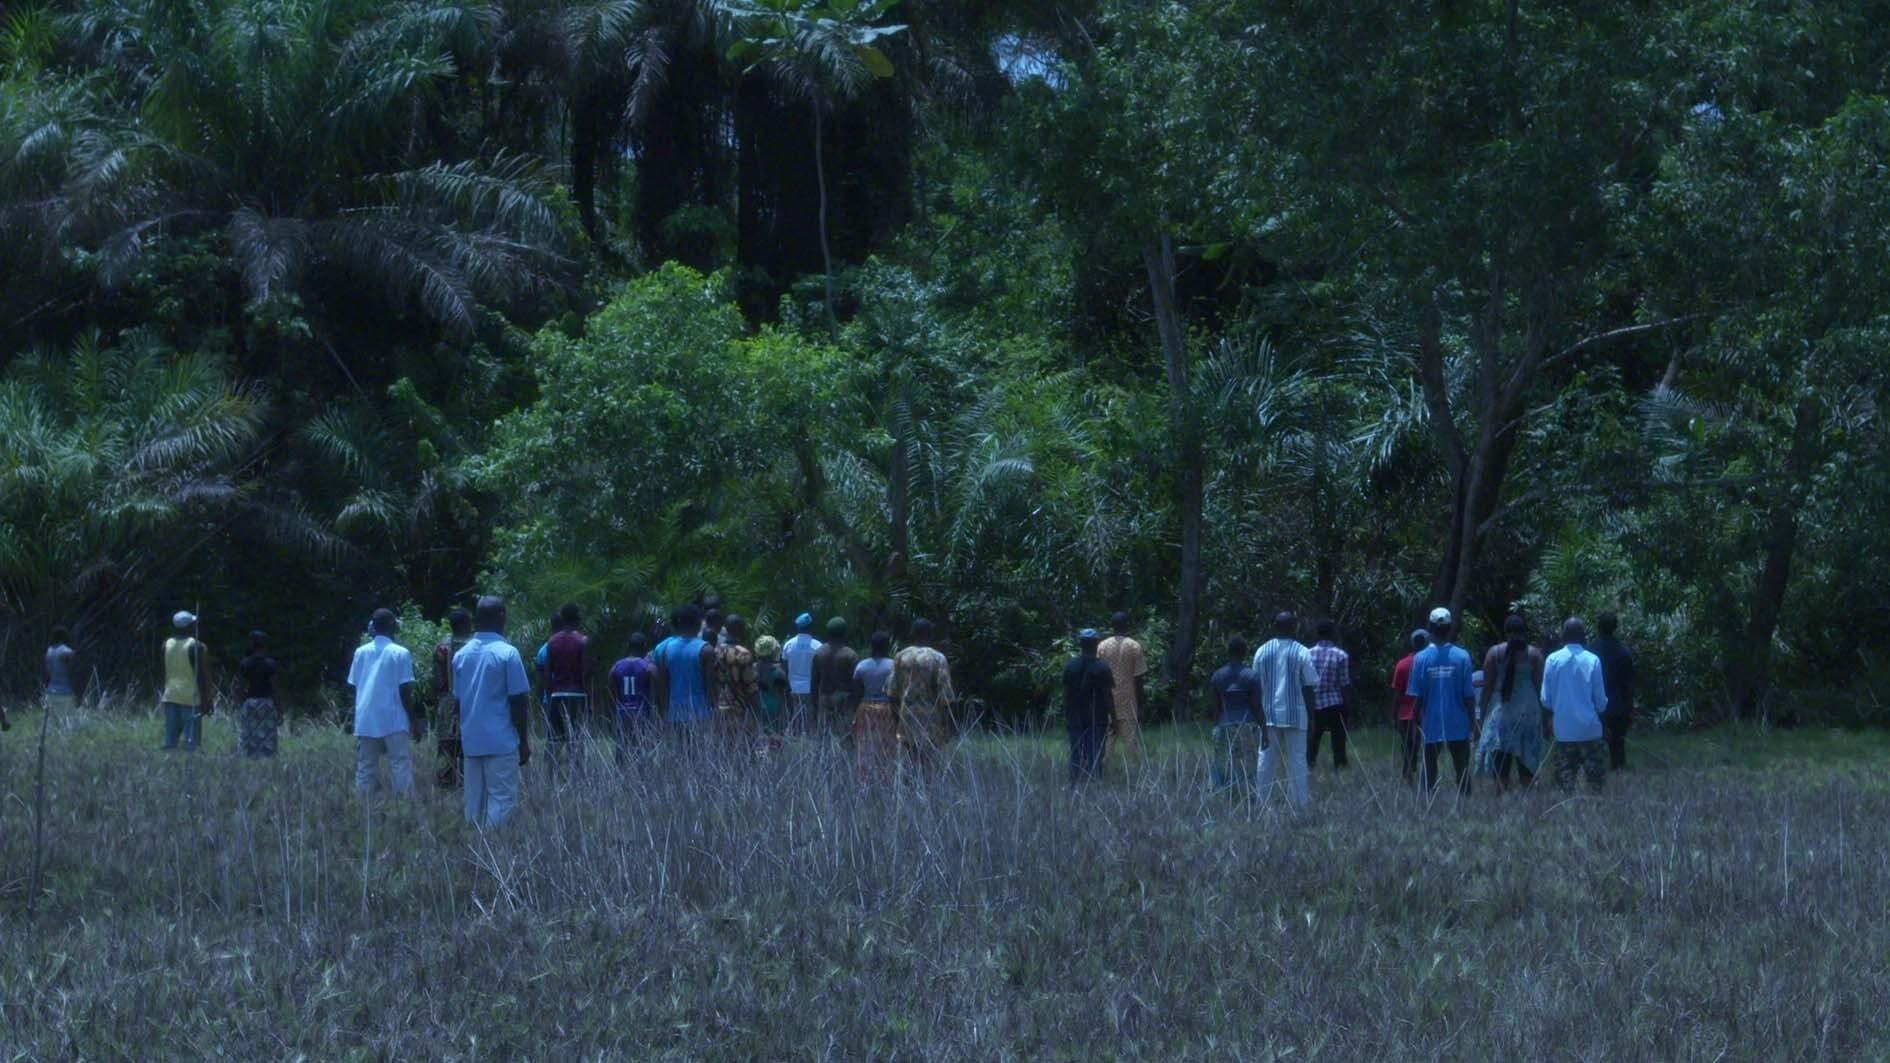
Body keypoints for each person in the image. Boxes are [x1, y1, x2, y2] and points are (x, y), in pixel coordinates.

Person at [454, 596, 532, 826]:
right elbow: (518, 700)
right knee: (501, 801)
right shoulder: (508, 653)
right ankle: (494, 853)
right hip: (500, 741)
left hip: (472, 741)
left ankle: (473, 851)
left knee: (473, 804)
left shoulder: (461, 655)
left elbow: (458, 703)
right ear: (501, 617)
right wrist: (524, 741)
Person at [1407, 607, 1478, 796]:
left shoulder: (1420, 659)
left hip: (1431, 723)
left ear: (1430, 627)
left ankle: (1427, 803)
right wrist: (1473, 723)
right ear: (1449, 627)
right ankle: (1465, 803)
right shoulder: (1462, 656)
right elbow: (1468, 695)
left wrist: (1414, 724)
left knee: (1429, 769)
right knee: (1462, 768)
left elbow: (1417, 697)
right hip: (1458, 722)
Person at [348, 608, 419, 795]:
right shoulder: (401, 653)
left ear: (373, 627)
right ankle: (403, 808)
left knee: (365, 768)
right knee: (400, 764)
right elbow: (405, 691)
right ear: (392, 626)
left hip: (366, 718)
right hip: (393, 719)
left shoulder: (360, 652)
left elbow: (356, 685)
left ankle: (364, 810)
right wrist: (414, 720)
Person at [1252, 612, 1319, 812]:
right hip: (1296, 714)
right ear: (1294, 627)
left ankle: (1262, 803)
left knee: (1265, 759)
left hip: (1268, 714)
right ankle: (1299, 804)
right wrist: (1312, 715)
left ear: (1275, 626)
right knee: (1297, 759)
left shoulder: (1262, 651)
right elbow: (1309, 685)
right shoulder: (1302, 651)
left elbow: (1255, 685)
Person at [1474, 615, 1546, 792]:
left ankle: (1501, 798)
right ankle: (1528, 799)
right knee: (1526, 761)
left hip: (1501, 713)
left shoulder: (1494, 653)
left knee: (1501, 761)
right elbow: (1540, 688)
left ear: (1506, 632)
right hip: (1528, 713)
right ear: (1524, 632)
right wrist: (1546, 718)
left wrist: (1482, 716)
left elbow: (1487, 688)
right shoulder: (1534, 654)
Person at [1542, 617, 1610, 792]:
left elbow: (1545, 700)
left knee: (1564, 788)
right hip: (1590, 731)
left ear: (1563, 635)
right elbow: (1601, 701)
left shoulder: (1552, 660)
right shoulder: (1593, 660)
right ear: (1584, 636)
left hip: (1563, 732)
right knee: (1595, 787)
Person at [888, 618, 956, 770]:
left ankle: (913, 789)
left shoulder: (901, 656)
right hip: (931, 720)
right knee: (929, 763)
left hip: (907, 718)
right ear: (930, 634)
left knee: (912, 760)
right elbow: (946, 695)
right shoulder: (938, 658)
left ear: (913, 634)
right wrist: (949, 723)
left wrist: (896, 719)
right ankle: (926, 790)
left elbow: (892, 692)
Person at [654, 604, 717, 738]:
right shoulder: (706, 650)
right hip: (701, 712)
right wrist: (715, 712)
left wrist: (664, 712)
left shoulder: (666, 649)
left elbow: (663, 685)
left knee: (681, 754)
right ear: (699, 622)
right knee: (701, 755)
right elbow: (710, 686)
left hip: (675, 712)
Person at [1209, 637, 1261, 798]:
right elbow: (1256, 705)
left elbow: (1214, 705)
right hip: (1247, 724)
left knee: (1221, 762)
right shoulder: (1251, 675)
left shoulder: (1217, 675)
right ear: (1244, 653)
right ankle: (1249, 794)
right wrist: (1263, 728)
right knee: (1249, 763)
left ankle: (1219, 793)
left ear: (1228, 652)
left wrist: (1216, 725)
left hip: (1224, 723)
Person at [543, 602, 591, 771]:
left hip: (557, 695)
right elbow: (584, 672)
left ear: (562, 619)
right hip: (577, 695)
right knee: (576, 741)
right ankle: (577, 776)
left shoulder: (552, 642)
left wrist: (550, 696)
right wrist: (588, 699)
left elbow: (548, 674)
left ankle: (550, 777)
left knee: (554, 741)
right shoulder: (582, 641)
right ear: (578, 619)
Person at [1063, 628, 1116, 784]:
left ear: (1081, 644)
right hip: (1097, 718)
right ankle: (1095, 786)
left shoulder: (1070, 666)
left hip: (1075, 718)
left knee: (1076, 755)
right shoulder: (1103, 668)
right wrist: (1114, 718)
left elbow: (1066, 695)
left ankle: (1075, 786)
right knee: (1095, 756)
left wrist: (1067, 716)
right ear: (1096, 644)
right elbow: (1108, 696)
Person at [1096, 612, 1148, 766]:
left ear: (1112, 626)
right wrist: (1142, 704)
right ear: (1127, 626)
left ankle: (1103, 773)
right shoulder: (1134, 646)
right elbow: (1139, 678)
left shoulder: (1102, 646)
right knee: (1131, 743)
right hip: (1128, 702)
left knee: (1107, 743)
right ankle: (1134, 775)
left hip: (1107, 702)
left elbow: (1098, 676)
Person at [432, 609, 474, 787]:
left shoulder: (442, 646)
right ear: (467, 624)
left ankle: (445, 782)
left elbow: (437, 679)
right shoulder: (475, 645)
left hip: (447, 700)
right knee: (469, 743)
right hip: (471, 700)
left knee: (446, 743)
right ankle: (468, 781)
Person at [160, 610, 211, 751]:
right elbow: (201, 675)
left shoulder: (166, 644)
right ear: (189, 627)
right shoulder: (196, 646)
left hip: (170, 696)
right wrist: (206, 699)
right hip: (191, 698)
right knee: (191, 744)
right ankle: (189, 771)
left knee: (170, 741)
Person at [1307, 619, 1353, 771]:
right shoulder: (1341, 655)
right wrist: (1347, 707)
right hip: (1334, 702)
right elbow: (1344, 684)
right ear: (1332, 634)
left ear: (1317, 633)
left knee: (1313, 739)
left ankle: (1309, 766)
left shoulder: (1307, 654)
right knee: (1338, 740)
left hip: (1314, 703)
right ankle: (1339, 769)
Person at [851, 631, 898, 780]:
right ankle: (885, 777)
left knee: (865, 744)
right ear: (887, 646)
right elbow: (896, 692)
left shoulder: (862, 666)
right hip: (887, 708)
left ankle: (865, 778)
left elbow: (857, 692)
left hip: (865, 707)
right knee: (887, 744)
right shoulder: (893, 665)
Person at [1592, 613, 1636, 770]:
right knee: (1618, 748)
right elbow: (1629, 684)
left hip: (1594, 707)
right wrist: (1630, 708)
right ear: (1615, 628)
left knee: (1594, 747)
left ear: (1598, 627)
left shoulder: (1590, 651)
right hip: (1618, 706)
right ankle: (1619, 778)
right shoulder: (1623, 651)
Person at [1390, 629, 1429, 783]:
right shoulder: (1428, 662)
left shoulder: (1402, 664)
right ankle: (1419, 774)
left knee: (1406, 744)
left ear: (1412, 643)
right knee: (1420, 744)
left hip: (1405, 713)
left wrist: (1394, 714)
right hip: (1425, 713)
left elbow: (1397, 692)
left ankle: (1408, 771)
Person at [608, 631, 656, 751]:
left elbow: (612, 695)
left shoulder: (615, 667)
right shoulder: (649, 667)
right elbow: (654, 696)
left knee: (622, 750)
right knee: (643, 751)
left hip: (622, 713)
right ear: (644, 647)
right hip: (642, 714)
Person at [236, 630, 281, 758]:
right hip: (266, 702)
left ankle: (248, 760)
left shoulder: (245, 663)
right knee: (267, 739)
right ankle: (266, 761)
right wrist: (279, 708)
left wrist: (241, 700)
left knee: (248, 735)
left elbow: (239, 685)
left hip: (250, 702)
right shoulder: (271, 664)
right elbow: (275, 687)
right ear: (265, 645)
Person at [812, 617, 859, 737]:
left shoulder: (819, 653)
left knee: (824, 739)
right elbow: (856, 684)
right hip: (845, 702)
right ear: (844, 633)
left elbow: (814, 681)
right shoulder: (850, 655)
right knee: (844, 738)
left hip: (824, 699)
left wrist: (814, 705)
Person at [715, 614, 760, 739]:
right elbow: (751, 686)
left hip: (720, 705)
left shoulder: (716, 650)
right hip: (739, 708)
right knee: (744, 747)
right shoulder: (743, 654)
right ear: (741, 629)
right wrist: (757, 711)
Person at [781, 613, 823, 731]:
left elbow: (784, 666)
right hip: (811, 689)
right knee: (810, 721)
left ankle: (795, 743)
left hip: (793, 688)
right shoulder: (818, 645)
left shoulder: (788, 644)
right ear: (810, 627)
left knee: (795, 719)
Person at [42, 625, 80, 717]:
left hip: (50, 692)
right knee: (67, 725)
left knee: (51, 725)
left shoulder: (49, 651)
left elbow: (47, 672)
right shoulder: (65, 650)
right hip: (64, 693)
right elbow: (74, 668)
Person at [753, 636, 789, 733]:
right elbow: (784, 693)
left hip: (756, 708)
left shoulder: (752, 668)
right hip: (775, 710)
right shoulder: (779, 671)